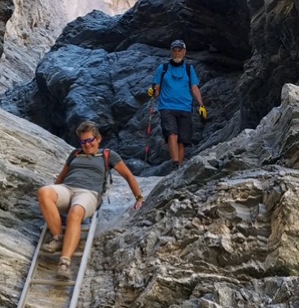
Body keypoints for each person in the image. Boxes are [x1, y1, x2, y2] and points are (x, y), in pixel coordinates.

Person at [37, 121, 142, 263]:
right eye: (83, 142)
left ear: (98, 139)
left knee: (75, 213)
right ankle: (58, 238)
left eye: (90, 140)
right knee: (44, 192)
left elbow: (128, 176)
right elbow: (62, 177)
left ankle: (65, 260)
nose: (87, 144)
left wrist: (139, 197)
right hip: (67, 189)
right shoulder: (75, 154)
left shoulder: (108, 155)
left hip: (88, 193)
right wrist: (51, 200)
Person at [147, 39, 206, 166]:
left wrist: (201, 105)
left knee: (182, 140)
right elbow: (156, 90)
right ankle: (174, 164)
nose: (177, 53)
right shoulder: (162, 69)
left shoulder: (189, 69)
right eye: (175, 51)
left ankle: (179, 167)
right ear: (171, 52)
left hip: (185, 107)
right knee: (171, 134)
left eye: (180, 51)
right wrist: (152, 91)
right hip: (167, 107)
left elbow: (194, 88)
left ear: (184, 52)